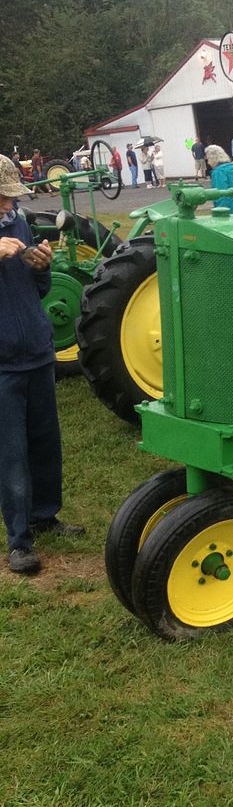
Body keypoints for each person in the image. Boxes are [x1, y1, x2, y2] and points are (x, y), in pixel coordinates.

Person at [0, 154, 84, 575]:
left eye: (11, 197)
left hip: (36, 351)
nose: (8, 205)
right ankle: (18, 542)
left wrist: (42, 266)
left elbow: (38, 289)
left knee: (45, 442)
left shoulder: (17, 221)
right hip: (3, 366)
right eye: (2, 198)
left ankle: (45, 514)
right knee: (11, 454)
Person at [204, 145, 233, 213]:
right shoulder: (232, 168)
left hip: (230, 211)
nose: (208, 163)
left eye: (208, 159)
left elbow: (221, 194)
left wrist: (220, 213)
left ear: (212, 158)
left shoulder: (219, 172)